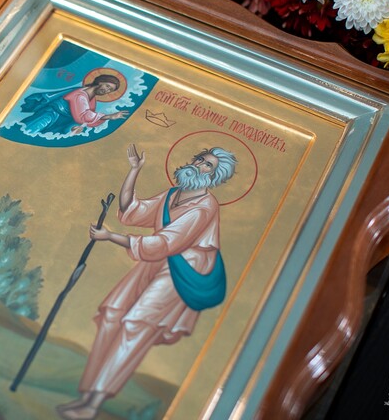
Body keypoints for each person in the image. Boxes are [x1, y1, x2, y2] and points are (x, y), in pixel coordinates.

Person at [58, 144, 237, 420]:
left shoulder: (204, 207)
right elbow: (133, 211)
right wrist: (134, 171)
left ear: (214, 177)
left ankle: (94, 405)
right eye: (199, 158)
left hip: (184, 270)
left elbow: (166, 243)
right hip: (157, 259)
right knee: (113, 313)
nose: (199, 164)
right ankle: (85, 396)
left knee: (136, 324)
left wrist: (110, 237)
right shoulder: (173, 194)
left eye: (207, 165)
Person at [21, 74, 128, 135]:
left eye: (110, 90)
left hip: (60, 122)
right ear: (100, 81)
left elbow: (83, 120)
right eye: (107, 86)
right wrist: (109, 116)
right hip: (50, 115)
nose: (107, 90)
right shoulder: (80, 94)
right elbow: (83, 116)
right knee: (28, 131)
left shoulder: (91, 100)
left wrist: (75, 128)